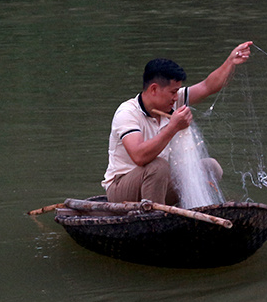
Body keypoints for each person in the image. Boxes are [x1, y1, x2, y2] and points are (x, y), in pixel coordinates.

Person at [101, 41, 253, 205]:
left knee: (211, 167)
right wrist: (173, 127)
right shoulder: (128, 113)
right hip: (122, 190)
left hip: (158, 183)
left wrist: (230, 61)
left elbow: (208, 86)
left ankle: (183, 213)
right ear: (154, 89)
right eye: (172, 92)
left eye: (177, 92)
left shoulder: (172, 102)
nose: (176, 97)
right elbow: (139, 156)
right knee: (159, 166)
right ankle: (154, 220)